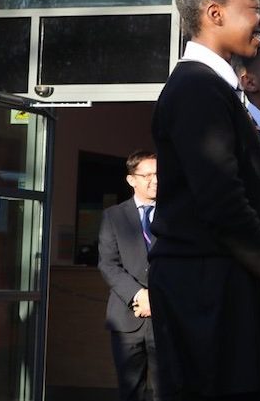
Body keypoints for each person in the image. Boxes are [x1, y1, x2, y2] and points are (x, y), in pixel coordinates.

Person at [149, 0, 260, 401]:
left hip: (222, 284)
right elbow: (224, 202)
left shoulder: (215, 90)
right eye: (254, 7)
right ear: (215, 13)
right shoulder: (197, 90)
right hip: (203, 290)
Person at [98, 150, 169, 401]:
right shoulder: (114, 216)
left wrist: (157, 297)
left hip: (167, 318)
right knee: (130, 391)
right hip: (127, 320)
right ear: (132, 180)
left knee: (168, 390)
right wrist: (140, 295)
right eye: (147, 174)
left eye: (159, 173)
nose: (155, 180)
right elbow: (108, 264)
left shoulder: (175, 214)